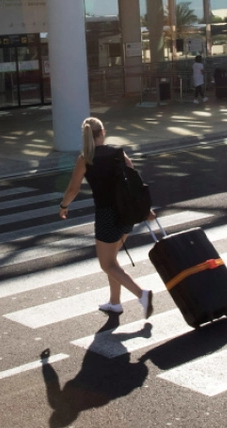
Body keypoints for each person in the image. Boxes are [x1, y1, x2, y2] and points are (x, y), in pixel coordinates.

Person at [58, 117, 156, 318]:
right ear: (102, 132)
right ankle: (114, 302)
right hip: (126, 213)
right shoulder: (118, 153)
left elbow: (73, 189)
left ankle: (142, 294)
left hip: (106, 216)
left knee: (107, 264)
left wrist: (64, 206)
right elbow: (135, 181)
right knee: (113, 261)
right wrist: (145, 209)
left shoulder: (85, 158)